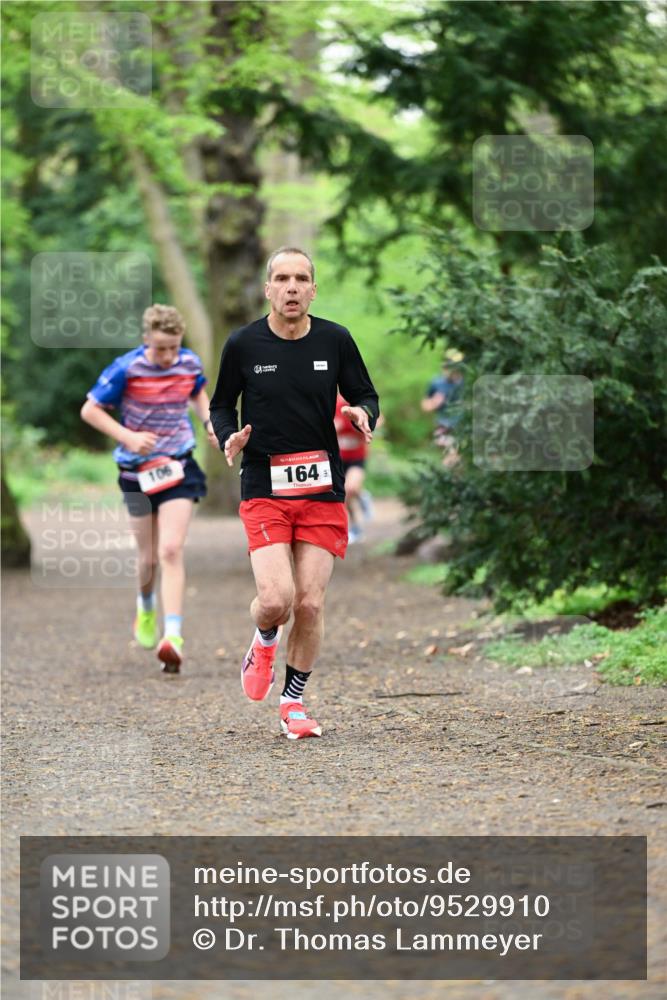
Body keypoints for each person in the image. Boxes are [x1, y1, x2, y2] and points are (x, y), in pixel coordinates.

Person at [209, 246, 379, 740]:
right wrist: (229, 436)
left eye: (301, 278)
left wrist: (363, 412)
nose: (291, 287)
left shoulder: (335, 339)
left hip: (323, 486)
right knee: (276, 599)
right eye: (281, 278)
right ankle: (263, 639)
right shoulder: (243, 344)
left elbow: (365, 393)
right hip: (264, 484)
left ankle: (294, 702)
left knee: (309, 604)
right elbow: (221, 405)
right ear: (268, 289)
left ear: (312, 289)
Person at [80, 304, 218, 674]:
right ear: (146, 341)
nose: (168, 356)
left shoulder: (188, 363)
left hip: (178, 466)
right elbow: (90, 410)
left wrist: (209, 423)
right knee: (149, 559)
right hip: (136, 471)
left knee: (171, 549)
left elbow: (198, 394)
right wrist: (128, 436)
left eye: (173, 347)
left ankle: (172, 637)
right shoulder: (126, 368)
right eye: (160, 349)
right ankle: (145, 606)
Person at [334, 392, 375, 544]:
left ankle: (361, 497)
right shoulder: (334, 404)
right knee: (345, 496)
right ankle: (355, 526)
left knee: (350, 488)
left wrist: (364, 424)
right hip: (338, 459)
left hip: (357, 457)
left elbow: (377, 418)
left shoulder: (360, 403)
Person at [421, 351, 464, 467]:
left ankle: (451, 479)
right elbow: (425, 405)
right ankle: (451, 479)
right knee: (451, 453)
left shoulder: (465, 383)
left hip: (462, 426)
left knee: (456, 457)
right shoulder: (437, 383)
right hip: (443, 425)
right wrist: (435, 402)